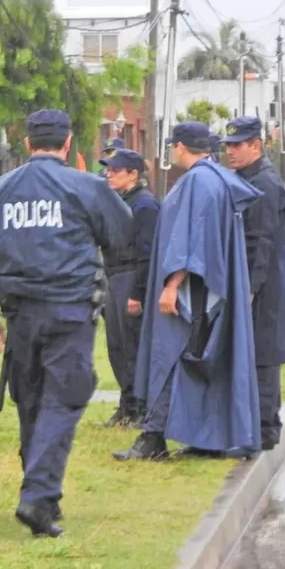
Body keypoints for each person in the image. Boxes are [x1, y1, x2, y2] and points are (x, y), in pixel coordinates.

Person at [0, 109, 133, 537]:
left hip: (20, 313)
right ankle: (37, 496)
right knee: (64, 396)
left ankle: (43, 498)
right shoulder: (87, 187)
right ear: (69, 142)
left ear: (28, 144)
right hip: (70, 310)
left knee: (33, 399)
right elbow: (122, 234)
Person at [113, 121, 264, 462]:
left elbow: (190, 238)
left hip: (192, 292)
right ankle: (207, 436)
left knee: (173, 356)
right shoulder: (217, 178)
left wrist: (172, 286)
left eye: (172, 146)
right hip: (207, 291)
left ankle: (152, 438)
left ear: (180, 147)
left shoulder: (198, 181)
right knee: (199, 360)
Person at [221, 116, 285, 451]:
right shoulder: (245, 178)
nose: (231, 152)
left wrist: (250, 288)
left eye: (238, 145)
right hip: (258, 278)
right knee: (255, 351)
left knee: (263, 353)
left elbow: (262, 240)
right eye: (229, 146)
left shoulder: (264, 183)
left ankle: (266, 429)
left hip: (264, 281)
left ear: (257, 145)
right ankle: (257, 426)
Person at [98, 149, 161, 429]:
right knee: (117, 345)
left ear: (133, 174)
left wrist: (138, 292)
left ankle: (140, 407)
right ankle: (126, 404)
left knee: (132, 345)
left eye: (115, 170)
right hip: (113, 274)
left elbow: (148, 253)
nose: (109, 174)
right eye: (108, 170)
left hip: (131, 275)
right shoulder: (118, 201)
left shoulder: (145, 205)